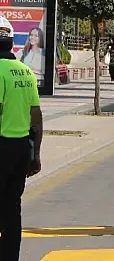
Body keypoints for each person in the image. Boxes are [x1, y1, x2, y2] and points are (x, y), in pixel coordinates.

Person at [0, 16, 43, 260]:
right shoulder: (25, 71)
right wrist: (35, 155)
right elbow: (36, 116)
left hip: (2, 145)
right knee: (12, 208)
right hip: (20, 149)